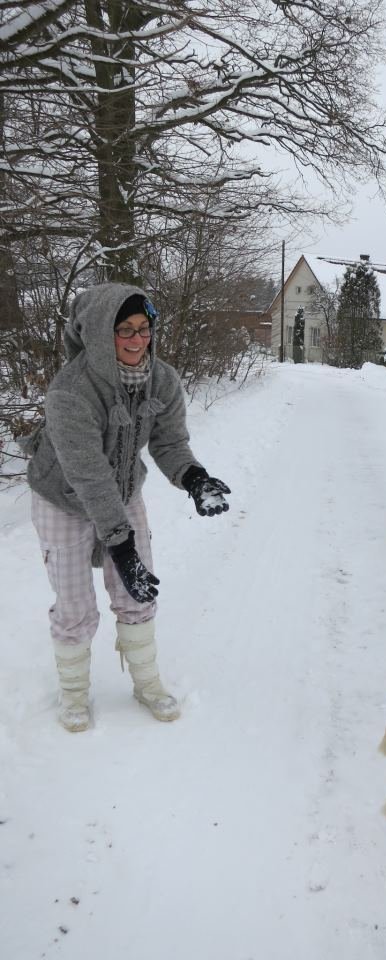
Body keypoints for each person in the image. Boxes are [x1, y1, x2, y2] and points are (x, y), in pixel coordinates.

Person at [24, 283, 231, 732]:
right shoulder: (70, 391)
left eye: (144, 329)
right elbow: (87, 475)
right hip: (63, 496)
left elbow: (169, 442)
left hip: (121, 489)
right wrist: (120, 544)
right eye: (124, 331)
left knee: (138, 591)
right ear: (101, 335)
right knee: (75, 603)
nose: (138, 341)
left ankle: (147, 683)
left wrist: (194, 478)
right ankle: (75, 695)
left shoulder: (162, 380)